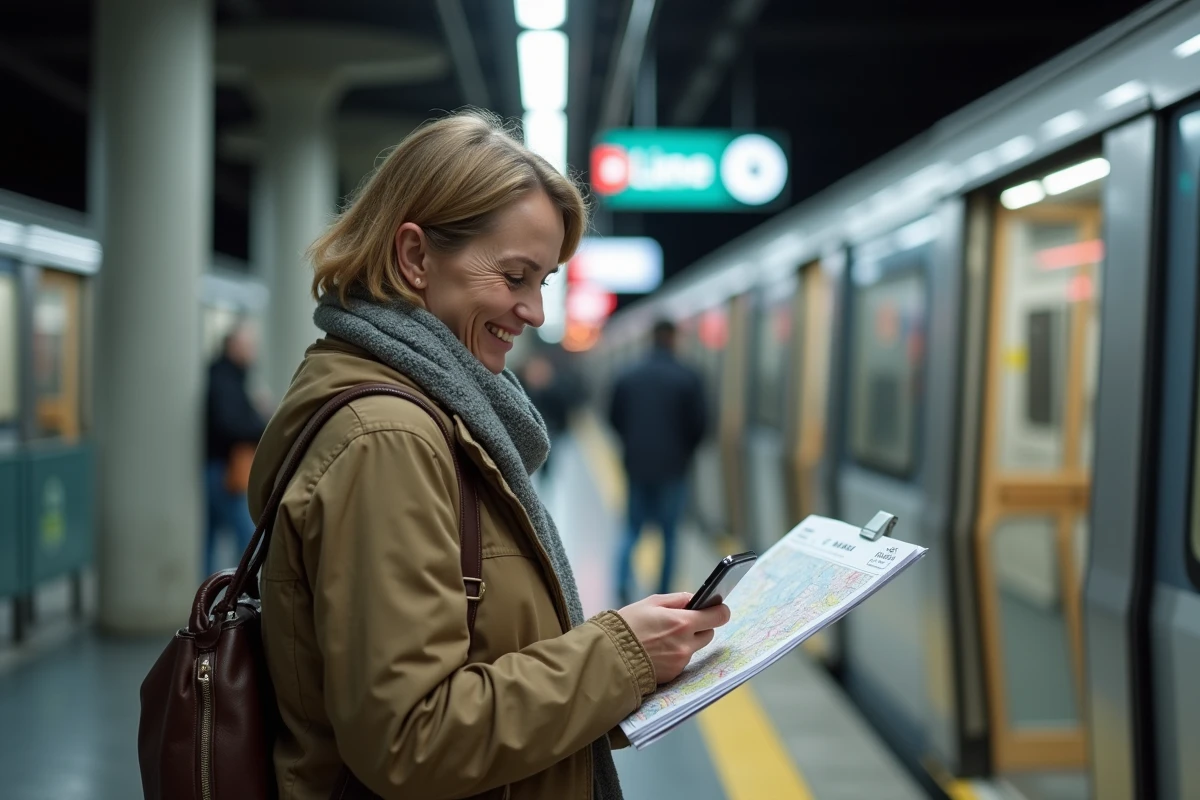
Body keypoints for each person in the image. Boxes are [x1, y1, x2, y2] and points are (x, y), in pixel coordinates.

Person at [248, 110, 730, 800]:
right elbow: (411, 737)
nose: (535, 312)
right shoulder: (389, 439)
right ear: (415, 258)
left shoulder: (429, 416)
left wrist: (628, 667)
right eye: (514, 276)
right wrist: (619, 654)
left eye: (544, 283)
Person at [608, 320, 706, 605]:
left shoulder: (628, 374)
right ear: (673, 339)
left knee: (632, 528)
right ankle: (663, 591)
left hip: (636, 466)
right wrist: (683, 452)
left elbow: (613, 418)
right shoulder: (688, 377)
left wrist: (633, 445)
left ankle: (622, 583)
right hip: (674, 468)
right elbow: (699, 426)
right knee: (670, 534)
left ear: (651, 338)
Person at [203, 320, 266, 577]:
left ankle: (208, 591)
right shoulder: (224, 379)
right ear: (232, 346)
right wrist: (262, 423)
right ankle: (243, 589)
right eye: (248, 345)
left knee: (211, 538)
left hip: (220, 467)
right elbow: (230, 425)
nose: (253, 352)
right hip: (225, 470)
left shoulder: (230, 376)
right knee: (248, 537)